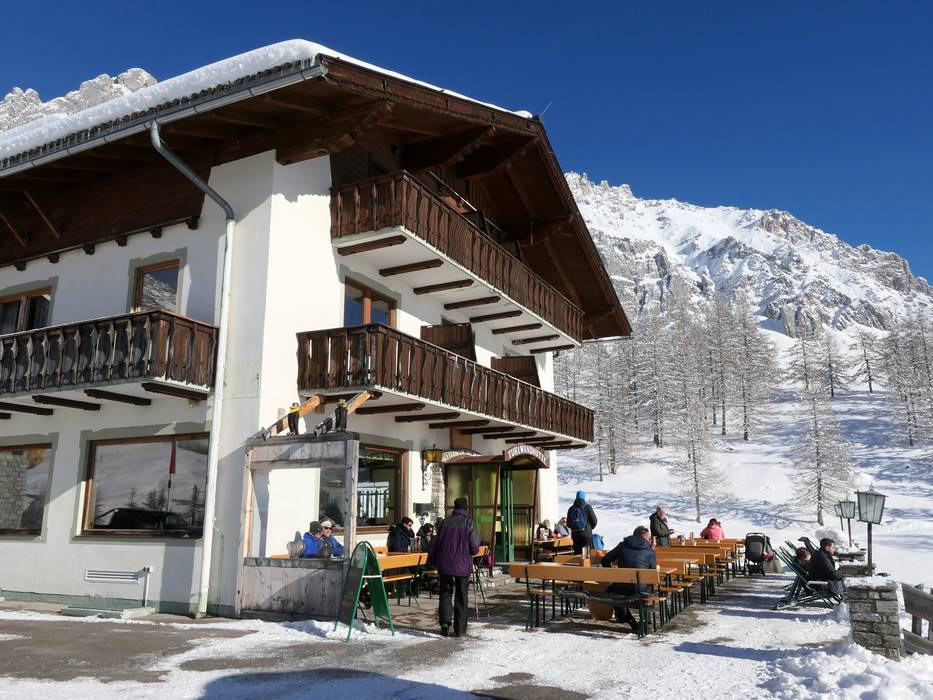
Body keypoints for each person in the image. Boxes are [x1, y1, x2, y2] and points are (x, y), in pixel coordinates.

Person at [430, 497, 479, 637]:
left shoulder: (445, 522)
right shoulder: (469, 523)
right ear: (466, 508)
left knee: (445, 593)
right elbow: (474, 548)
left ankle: (445, 623)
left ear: (455, 507)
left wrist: (434, 561)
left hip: (445, 563)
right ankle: (460, 629)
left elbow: (437, 543)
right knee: (461, 595)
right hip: (462, 565)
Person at [600, 526, 657, 633]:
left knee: (611, 591)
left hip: (622, 587)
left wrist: (612, 575)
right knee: (648, 591)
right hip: (641, 589)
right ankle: (646, 622)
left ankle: (630, 622)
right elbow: (652, 571)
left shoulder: (623, 545)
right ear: (644, 537)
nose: (650, 540)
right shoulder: (650, 551)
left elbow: (605, 560)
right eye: (649, 538)